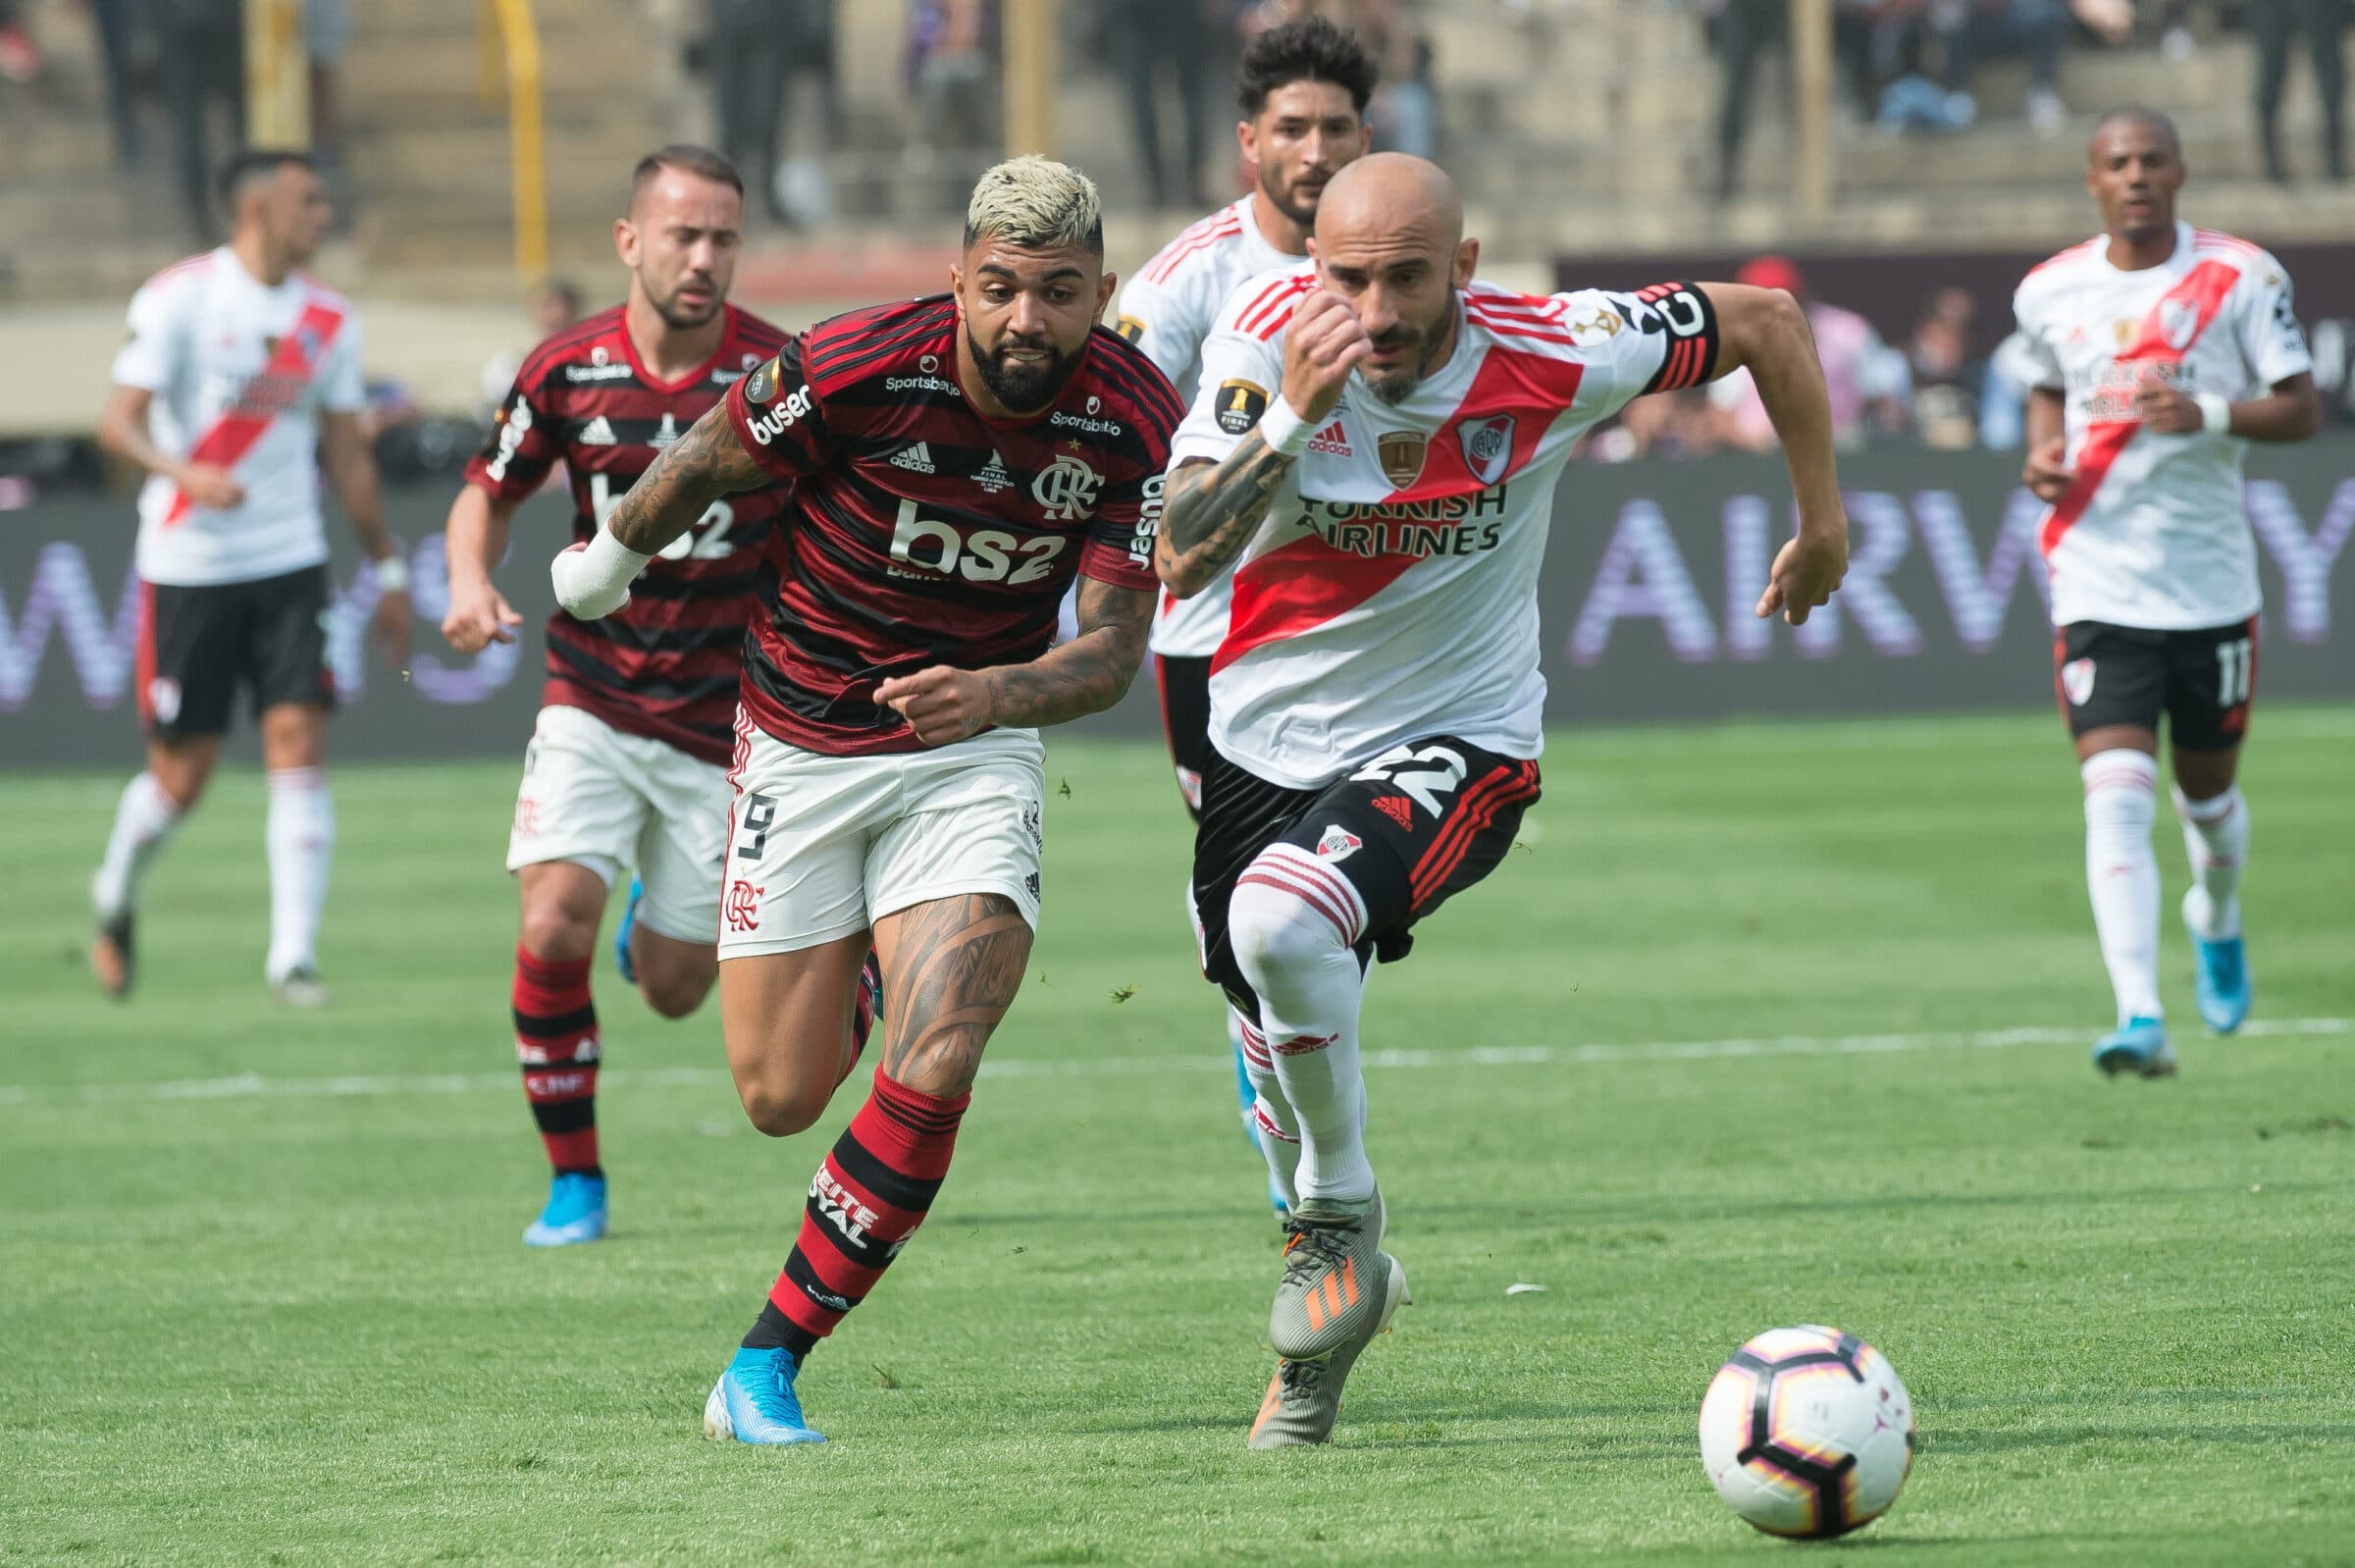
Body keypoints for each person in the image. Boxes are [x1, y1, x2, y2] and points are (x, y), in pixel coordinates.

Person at [1156, 153, 1847, 1448]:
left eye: (1406, 277)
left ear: (1464, 271)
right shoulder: (1264, 348)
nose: (1373, 309)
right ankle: (1341, 1276)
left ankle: (1340, 1215)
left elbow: (1767, 324)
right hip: (1262, 749)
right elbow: (1181, 549)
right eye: (1348, 278)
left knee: (1284, 921)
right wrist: (1289, 421)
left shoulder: (1561, 347)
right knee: (1262, 1036)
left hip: (1457, 740)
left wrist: (1824, 522)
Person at [548, 156, 1183, 1445]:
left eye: (1058, 294)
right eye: (1000, 288)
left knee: (943, 1045)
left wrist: (997, 696)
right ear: (958, 279)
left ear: (1100, 294)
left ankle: (767, 1360)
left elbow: (1112, 652)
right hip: (798, 738)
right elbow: (707, 456)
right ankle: (852, 968)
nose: (1026, 320)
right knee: (779, 1097)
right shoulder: (853, 365)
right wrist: (608, 562)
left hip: (973, 751)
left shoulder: (1133, 419)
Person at [440, 146, 812, 1249]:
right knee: (552, 918)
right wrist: (467, 582)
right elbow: (485, 492)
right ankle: (576, 1182)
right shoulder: (565, 367)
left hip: (724, 722)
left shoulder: (779, 376)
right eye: (684, 236)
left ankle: (655, 924)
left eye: (725, 239)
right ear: (630, 241)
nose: (704, 260)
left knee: (677, 990)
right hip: (593, 695)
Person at [1112, 14, 1376, 1218]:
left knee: (1332, 912)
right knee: (1260, 906)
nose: (1316, 150)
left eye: (1337, 127)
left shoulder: (1395, 258)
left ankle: (1306, 1113)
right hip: (1212, 638)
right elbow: (1101, 428)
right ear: (1247, 145)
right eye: (1293, 129)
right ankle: (1299, 1156)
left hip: (1362, 627)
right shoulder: (1185, 283)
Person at [2009, 107, 2321, 1078]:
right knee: (2114, 796)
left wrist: (2210, 412)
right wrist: (2043, 454)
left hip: (2209, 586)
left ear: (2180, 171)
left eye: (2151, 160)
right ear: (2092, 180)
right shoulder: (2050, 290)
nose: (2136, 175)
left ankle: (2216, 916)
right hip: (2096, 580)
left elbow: (2303, 408)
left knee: (2209, 804)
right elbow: (2052, 384)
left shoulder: (2240, 276)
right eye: (2117, 163)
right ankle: (2139, 1009)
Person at [88, 149, 408, 1006]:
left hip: (290, 563)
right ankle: (114, 894)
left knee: (298, 742)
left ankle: (292, 958)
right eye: (310, 201)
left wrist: (387, 568)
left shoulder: (330, 320)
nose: (325, 217)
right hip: (189, 565)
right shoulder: (180, 297)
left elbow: (347, 454)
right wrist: (181, 473)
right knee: (181, 777)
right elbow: (117, 426)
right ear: (259, 208)